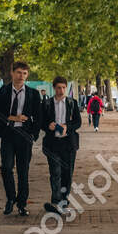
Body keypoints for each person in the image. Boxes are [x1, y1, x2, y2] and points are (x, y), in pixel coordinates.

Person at [0, 61, 45, 217]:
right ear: (13, 73)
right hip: (8, 136)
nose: (21, 76)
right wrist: (12, 118)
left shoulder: (33, 94)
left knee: (23, 172)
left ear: (27, 76)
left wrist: (33, 135)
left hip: (24, 137)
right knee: (6, 168)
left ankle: (22, 204)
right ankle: (10, 199)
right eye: (19, 72)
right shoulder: (4, 91)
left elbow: (38, 116)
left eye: (25, 73)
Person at [41, 76, 81, 216]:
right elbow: (41, 122)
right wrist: (48, 125)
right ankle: (56, 201)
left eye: (63, 87)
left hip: (69, 144)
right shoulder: (46, 104)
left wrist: (67, 126)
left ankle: (64, 202)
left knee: (67, 174)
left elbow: (78, 122)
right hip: (52, 144)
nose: (61, 90)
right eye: (58, 87)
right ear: (54, 88)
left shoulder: (72, 103)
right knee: (55, 173)